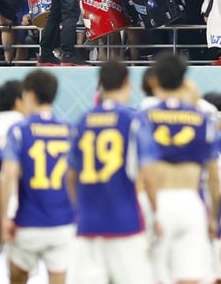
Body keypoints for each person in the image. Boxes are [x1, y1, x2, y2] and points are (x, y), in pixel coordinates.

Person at [66, 61, 159, 283]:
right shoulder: (133, 120)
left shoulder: (82, 122)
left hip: (88, 226)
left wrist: (79, 209)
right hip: (124, 223)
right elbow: (148, 172)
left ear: (99, 83)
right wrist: (157, 212)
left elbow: (70, 176)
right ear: (128, 82)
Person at [139, 53, 219, 284]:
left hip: (157, 200)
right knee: (189, 277)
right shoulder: (201, 118)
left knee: (154, 276)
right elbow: (213, 175)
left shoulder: (145, 117)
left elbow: (143, 172)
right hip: (190, 201)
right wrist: (213, 216)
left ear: (154, 81)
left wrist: (151, 211)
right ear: (184, 80)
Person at [0, 70, 75, 284]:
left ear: (30, 94)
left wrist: (5, 217)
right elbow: (74, 177)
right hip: (62, 222)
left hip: (28, 222)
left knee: (17, 276)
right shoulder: (69, 130)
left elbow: (9, 174)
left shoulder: (19, 130)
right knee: (58, 278)